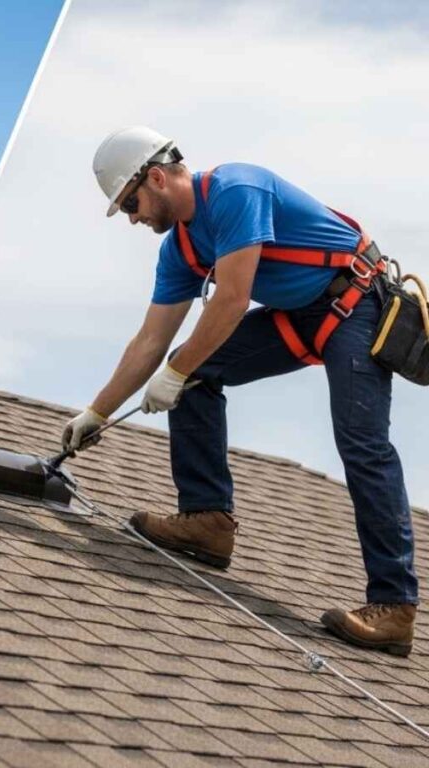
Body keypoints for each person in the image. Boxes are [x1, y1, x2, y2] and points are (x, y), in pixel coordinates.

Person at [62, 127, 417, 657]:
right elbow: (150, 341)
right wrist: (96, 412)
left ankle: (393, 607)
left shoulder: (236, 191)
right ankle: (207, 520)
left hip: (355, 303)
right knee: (197, 375)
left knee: (361, 443)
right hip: (301, 316)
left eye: (131, 203)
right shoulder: (179, 251)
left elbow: (231, 301)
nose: (133, 218)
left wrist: (177, 370)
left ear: (155, 178)